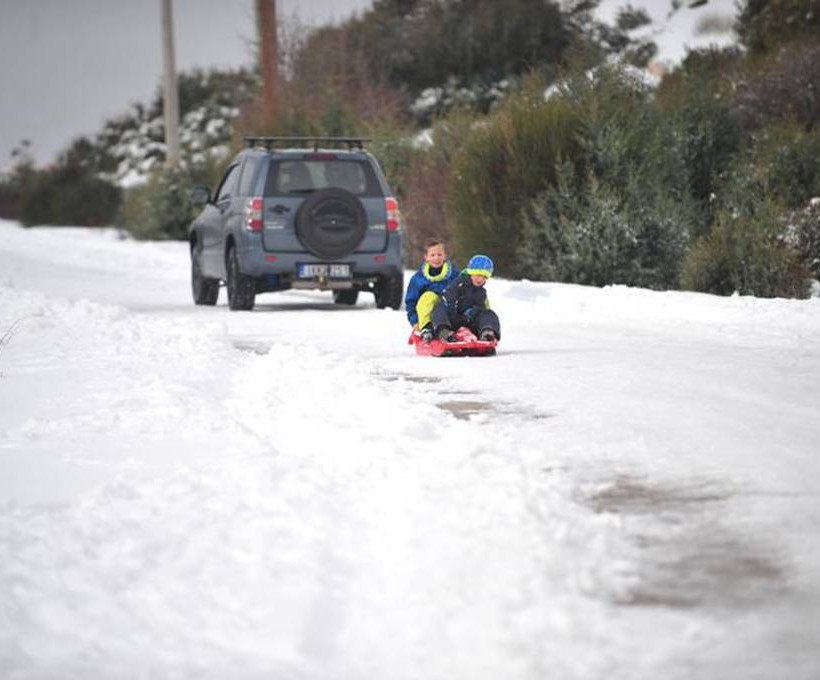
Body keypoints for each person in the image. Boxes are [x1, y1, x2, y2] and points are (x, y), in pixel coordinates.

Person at [431, 254, 501, 343]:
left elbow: (480, 309)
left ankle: (487, 332)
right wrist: (453, 312)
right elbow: (448, 299)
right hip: (452, 320)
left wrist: (471, 314)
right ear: (470, 273)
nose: (479, 279)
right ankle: (444, 332)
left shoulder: (481, 293)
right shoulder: (459, 284)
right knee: (440, 308)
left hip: (468, 322)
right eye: (477, 275)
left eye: (483, 276)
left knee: (488, 313)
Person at [405, 239, 460, 343]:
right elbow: (411, 303)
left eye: (439, 254)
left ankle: (446, 331)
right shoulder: (418, 279)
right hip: (427, 317)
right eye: (432, 255)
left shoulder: (455, 276)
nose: (436, 258)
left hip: (450, 315)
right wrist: (415, 322)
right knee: (428, 296)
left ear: (445, 256)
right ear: (426, 257)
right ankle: (427, 330)